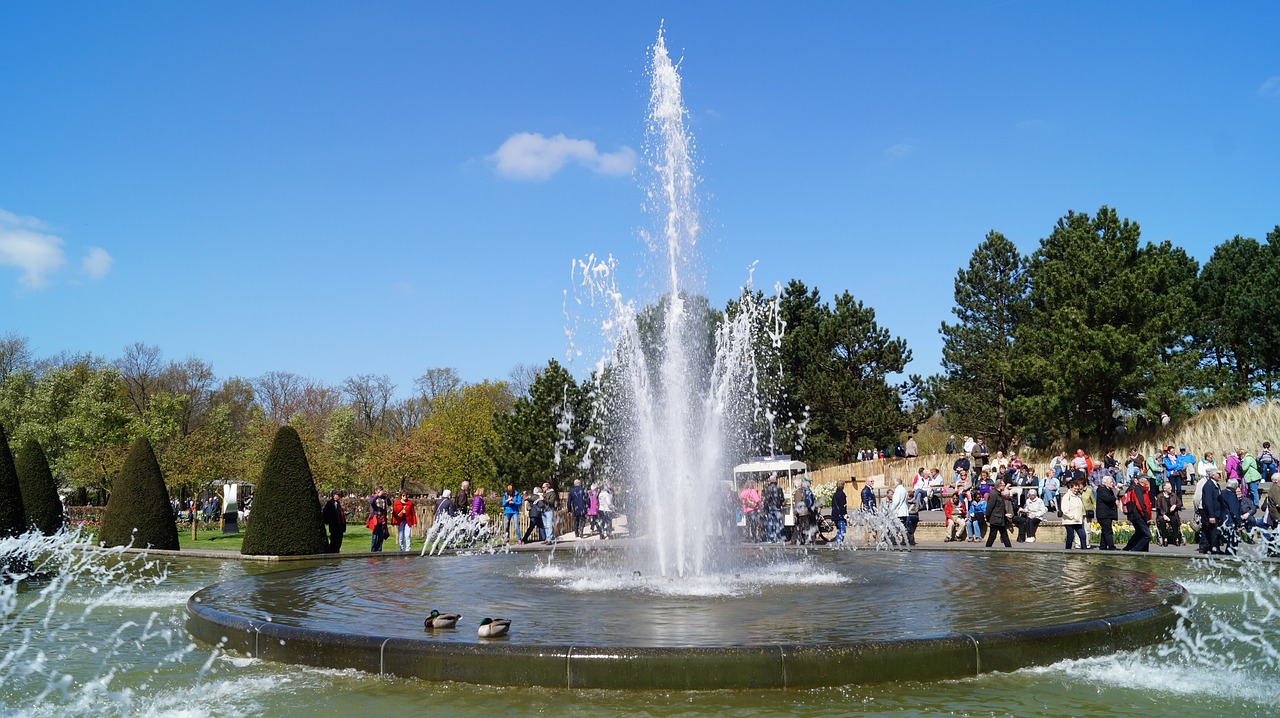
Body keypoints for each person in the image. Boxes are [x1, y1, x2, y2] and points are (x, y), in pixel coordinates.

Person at [1123, 475, 1153, 552]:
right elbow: (1140, 504)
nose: (1148, 481)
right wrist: (1147, 517)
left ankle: (1128, 549)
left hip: (1142, 515)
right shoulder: (1137, 489)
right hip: (1138, 516)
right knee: (1147, 535)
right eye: (1147, 479)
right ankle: (1134, 550)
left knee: (1139, 533)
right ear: (1142, 480)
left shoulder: (1143, 490)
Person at [1196, 470, 1222, 554]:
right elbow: (1208, 502)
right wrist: (1211, 515)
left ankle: (1215, 548)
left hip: (1217, 512)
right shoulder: (1208, 485)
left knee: (1215, 531)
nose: (1220, 475)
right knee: (1212, 532)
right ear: (1213, 475)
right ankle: (1213, 549)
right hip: (1211, 513)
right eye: (1218, 474)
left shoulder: (1216, 484)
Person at [984, 481, 1013, 548]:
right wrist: (987, 517)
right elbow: (990, 507)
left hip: (1000, 519)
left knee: (1004, 534)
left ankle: (1009, 548)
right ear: (999, 486)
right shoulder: (994, 494)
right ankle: (987, 549)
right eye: (1003, 485)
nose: (1004, 486)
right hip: (995, 519)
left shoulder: (999, 494)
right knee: (992, 535)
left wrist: (1005, 514)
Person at [1155, 480, 1183, 547]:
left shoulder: (1173, 495)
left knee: (1174, 521)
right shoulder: (1159, 496)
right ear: (1164, 489)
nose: (1171, 489)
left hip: (1172, 514)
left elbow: (1180, 503)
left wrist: (1175, 505)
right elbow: (1158, 507)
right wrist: (1164, 515)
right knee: (1162, 521)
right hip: (1163, 514)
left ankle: (1176, 538)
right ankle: (1165, 538)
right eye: (1169, 488)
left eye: (1171, 487)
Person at [1061, 479, 1086, 550]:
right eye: (1075, 489)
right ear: (1070, 488)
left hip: (1078, 521)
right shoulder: (1067, 496)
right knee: (1070, 537)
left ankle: (1084, 551)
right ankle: (1067, 551)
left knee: (1083, 536)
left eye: (1077, 489)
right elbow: (1065, 510)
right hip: (1069, 521)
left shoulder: (1078, 496)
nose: (1076, 490)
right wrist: (1073, 516)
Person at [1095, 475, 1119, 550]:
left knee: (1105, 531)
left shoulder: (1109, 490)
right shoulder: (1101, 490)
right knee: (1108, 531)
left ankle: (1103, 546)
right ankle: (1111, 546)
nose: (1112, 483)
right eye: (1111, 482)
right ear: (1105, 483)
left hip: (1108, 514)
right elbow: (1108, 499)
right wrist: (1116, 493)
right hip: (1103, 515)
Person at [889, 479, 913, 546]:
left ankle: (896, 540)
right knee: (903, 526)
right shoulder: (904, 489)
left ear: (897, 483)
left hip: (899, 512)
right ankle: (905, 540)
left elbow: (896, 502)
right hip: (904, 511)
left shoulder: (898, 490)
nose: (893, 485)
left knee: (897, 526)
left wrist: (891, 509)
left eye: (893, 483)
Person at [792, 478, 816, 545]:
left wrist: (795, 513)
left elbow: (798, 503)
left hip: (801, 512)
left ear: (796, 485)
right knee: (804, 526)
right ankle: (804, 539)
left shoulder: (797, 492)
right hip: (805, 511)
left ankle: (804, 540)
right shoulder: (803, 491)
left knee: (803, 526)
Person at [368, 486, 391, 552]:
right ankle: (373, 550)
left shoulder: (384, 498)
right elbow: (371, 502)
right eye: (380, 491)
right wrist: (377, 496)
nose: (381, 492)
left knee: (381, 536)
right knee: (374, 536)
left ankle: (379, 550)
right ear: (377, 491)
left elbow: (389, 504)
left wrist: (387, 497)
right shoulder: (373, 497)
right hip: (376, 518)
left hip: (383, 518)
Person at [762, 476, 785, 544]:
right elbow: (782, 498)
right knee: (777, 523)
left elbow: (766, 500)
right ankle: (778, 538)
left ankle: (769, 538)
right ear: (775, 481)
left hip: (770, 508)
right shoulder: (779, 488)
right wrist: (779, 503)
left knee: (770, 524)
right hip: (777, 507)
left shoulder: (767, 489)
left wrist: (765, 508)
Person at [830, 480, 848, 544]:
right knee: (843, 530)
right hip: (840, 515)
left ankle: (838, 543)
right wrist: (846, 516)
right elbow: (842, 506)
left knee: (838, 530)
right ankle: (839, 543)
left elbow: (833, 505)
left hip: (835, 515)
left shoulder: (835, 494)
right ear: (843, 486)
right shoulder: (842, 494)